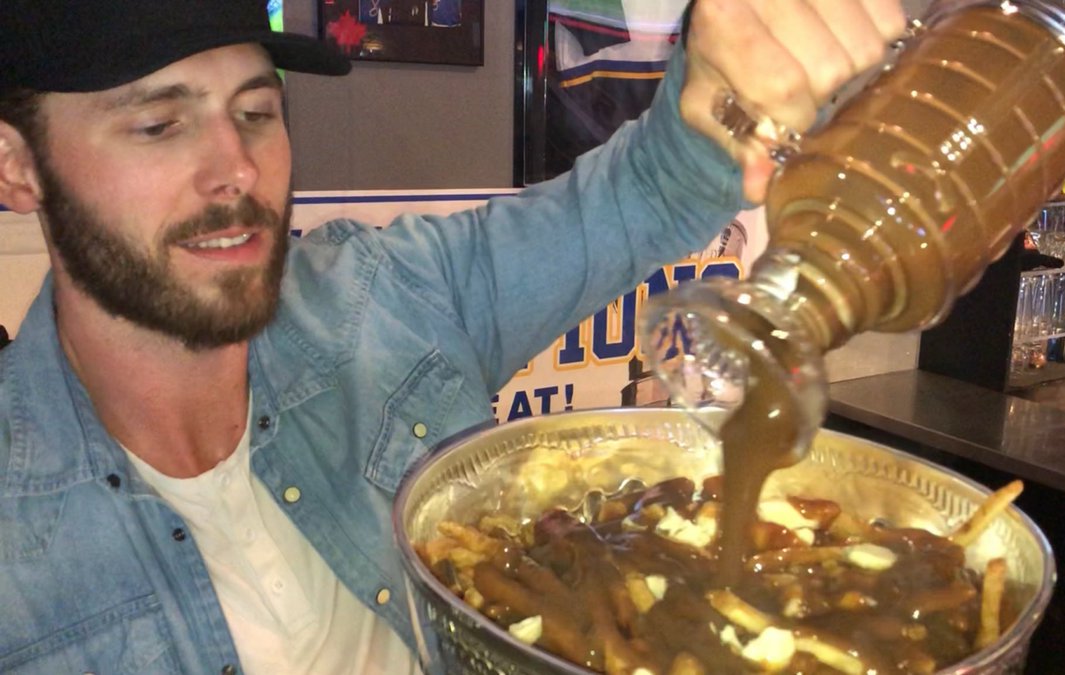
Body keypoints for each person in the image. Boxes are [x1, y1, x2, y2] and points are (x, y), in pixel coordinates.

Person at [0, 0, 904, 673]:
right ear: (17, 165)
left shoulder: (383, 297)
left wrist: (722, 95)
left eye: (255, 111)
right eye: (159, 124)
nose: (235, 168)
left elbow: (648, 193)